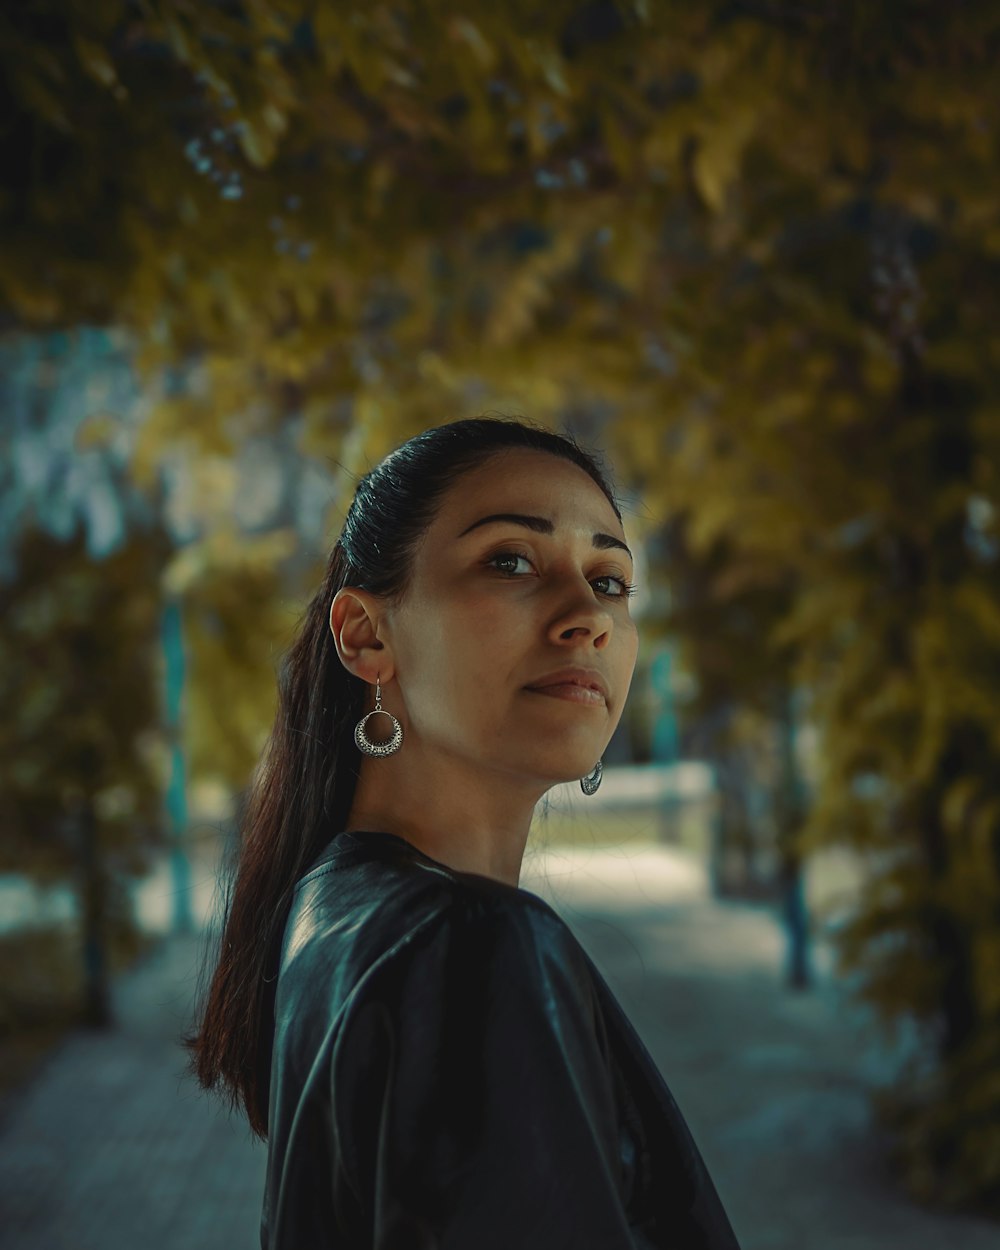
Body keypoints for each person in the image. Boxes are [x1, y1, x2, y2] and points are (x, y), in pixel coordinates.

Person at [183, 416, 743, 1249]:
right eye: (510, 561)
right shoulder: (469, 945)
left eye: (611, 581)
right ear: (366, 635)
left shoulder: (333, 907)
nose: (586, 616)